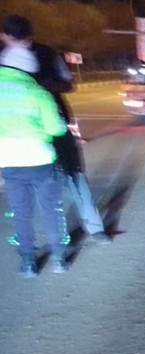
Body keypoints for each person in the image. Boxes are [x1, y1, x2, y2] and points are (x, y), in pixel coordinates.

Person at [2, 15, 110, 244]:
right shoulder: (6, 59)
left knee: (73, 173)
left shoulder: (47, 53)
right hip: (20, 134)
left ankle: (93, 227)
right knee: (26, 188)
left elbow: (67, 82)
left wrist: (41, 86)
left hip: (53, 125)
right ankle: (34, 244)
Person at [0, 45, 69, 277]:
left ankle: (28, 263)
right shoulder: (38, 93)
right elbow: (56, 129)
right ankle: (59, 258)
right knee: (50, 208)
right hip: (40, 160)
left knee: (21, 213)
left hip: (9, 161)